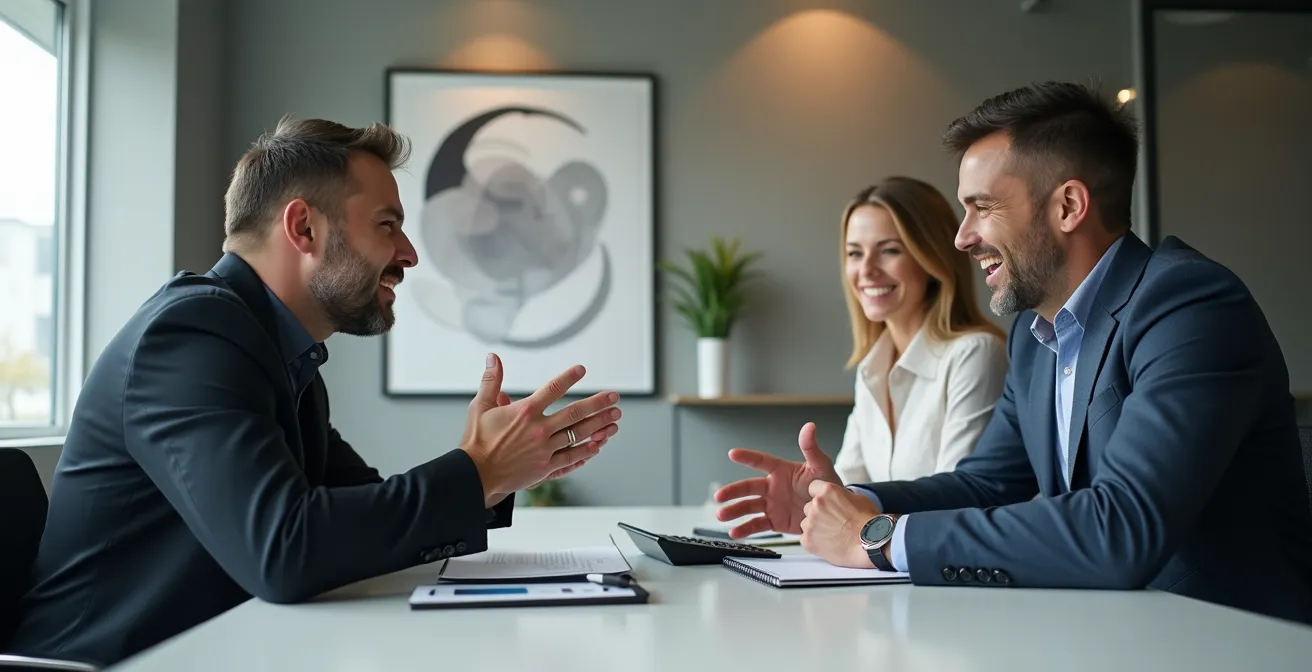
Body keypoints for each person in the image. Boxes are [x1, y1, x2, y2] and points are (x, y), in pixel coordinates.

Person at [8, 118, 623, 667]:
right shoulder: (191, 336)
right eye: (388, 225)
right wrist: (477, 471)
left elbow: (359, 517)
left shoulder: (281, 356)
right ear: (303, 226)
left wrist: (492, 473)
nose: (409, 254)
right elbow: (284, 549)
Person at [714, 81, 1312, 624]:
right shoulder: (1034, 335)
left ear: (1069, 207)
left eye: (983, 207)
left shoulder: (1188, 304)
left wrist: (877, 537)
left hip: (1235, 641)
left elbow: (1122, 528)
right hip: (1120, 634)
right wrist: (847, 501)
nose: (961, 237)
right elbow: (985, 484)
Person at [830, 176, 1008, 485]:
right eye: (854, 253)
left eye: (889, 250)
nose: (866, 270)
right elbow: (847, 487)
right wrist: (804, 498)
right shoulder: (871, 369)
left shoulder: (975, 354)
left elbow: (955, 496)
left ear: (931, 258)